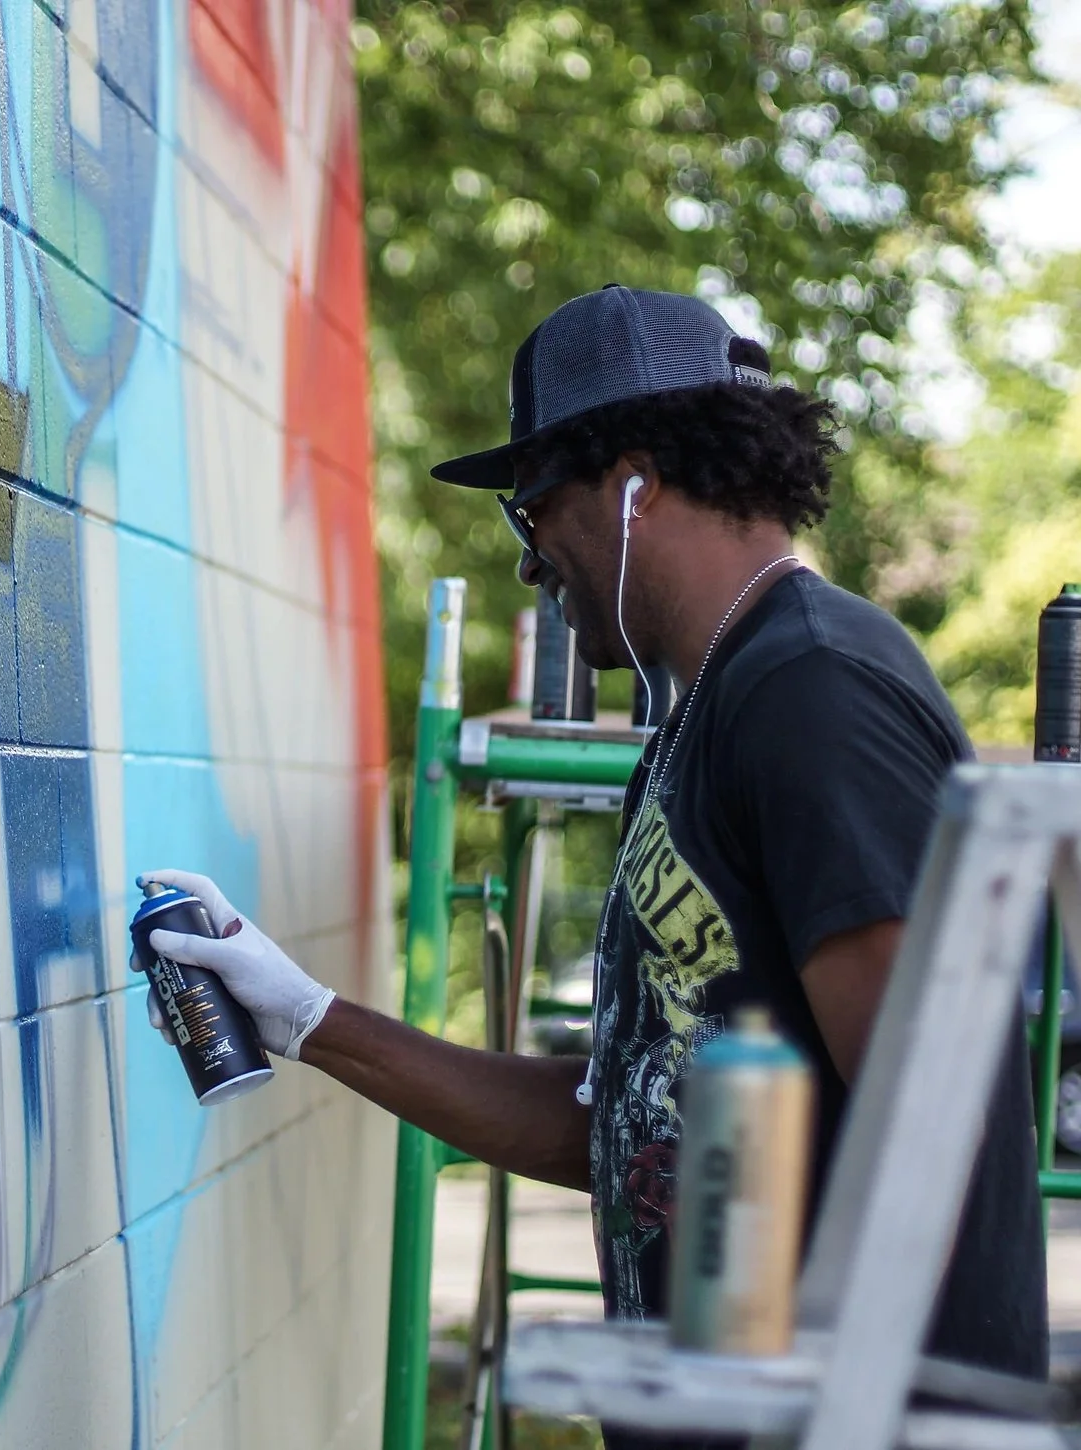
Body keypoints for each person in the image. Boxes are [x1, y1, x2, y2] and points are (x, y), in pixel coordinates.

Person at [136, 286, 1049, 1431]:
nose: (528, 564)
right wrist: (309, 1017)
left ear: (634, 485)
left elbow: (937, 1120)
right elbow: (624, 1130)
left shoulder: (815, 690)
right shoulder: (698, 715)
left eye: (532, 511)